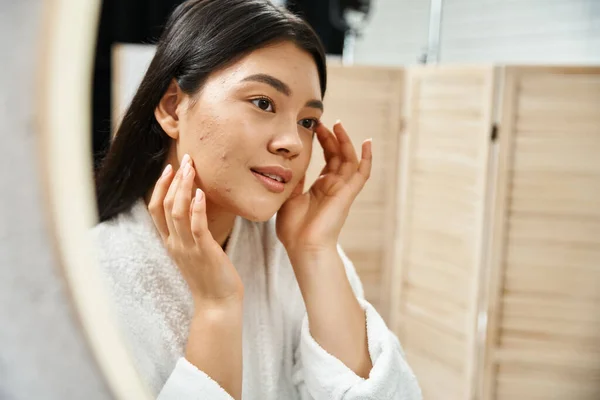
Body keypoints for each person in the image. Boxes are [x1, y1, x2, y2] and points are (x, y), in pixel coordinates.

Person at [92, 0, 421, 399]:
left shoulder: (292, 255)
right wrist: (217, 306)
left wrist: (315, 251)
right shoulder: (91, 279)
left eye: (306, 122)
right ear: (172, 107)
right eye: (263, 103)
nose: (292, 144)